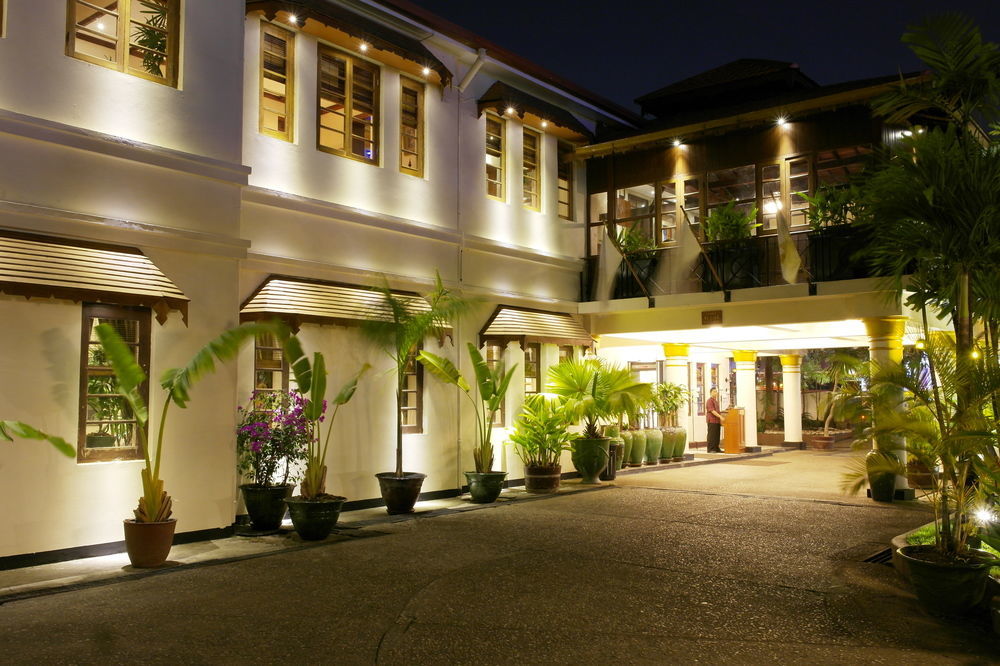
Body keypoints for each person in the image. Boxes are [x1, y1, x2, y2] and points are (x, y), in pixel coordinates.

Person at [706, 387, 723, 453]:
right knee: (712, 435)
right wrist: (720, 416)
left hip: (717, 421)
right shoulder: (709, 401)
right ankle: (711, 449)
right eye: (714, 392)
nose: (715, 393)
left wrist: (720, 417)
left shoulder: (716, 401)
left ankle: (716, 448)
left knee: (717, 435)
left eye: (716, 392)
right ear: (710, 393)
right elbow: (712, 411)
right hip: (712, 420)